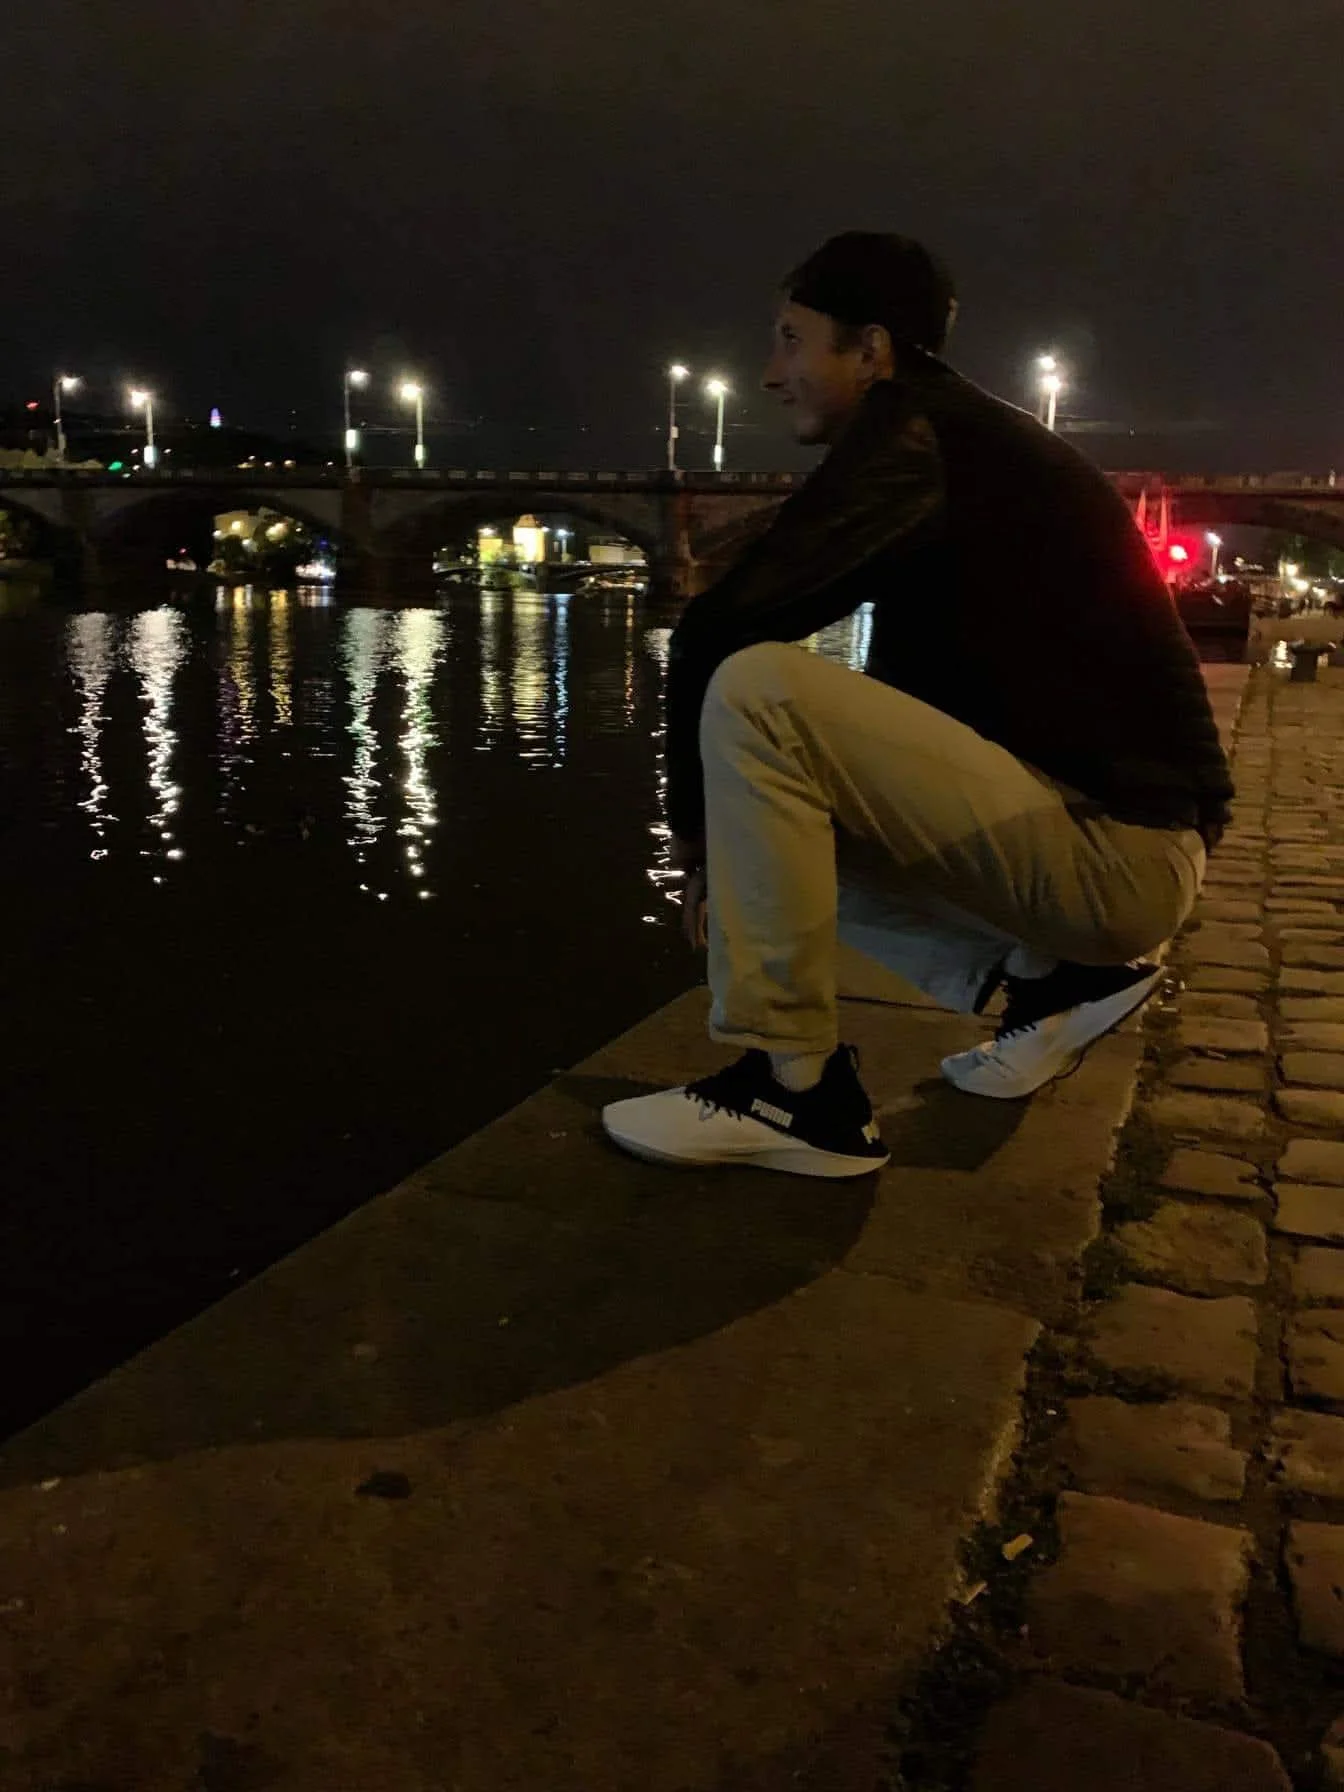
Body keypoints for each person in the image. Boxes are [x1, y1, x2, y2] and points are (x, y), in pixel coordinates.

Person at [602, 231, 1233, 1180]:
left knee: (760, 689)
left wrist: (690, 842)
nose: (771, 373)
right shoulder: (966, 447)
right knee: (768, 811)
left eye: (791, 339)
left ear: (872, 350)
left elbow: (717, 629)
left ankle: (791, 1088)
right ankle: (1049, 984)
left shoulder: (917, 436)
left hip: (1114, 857)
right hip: (1117, 854)